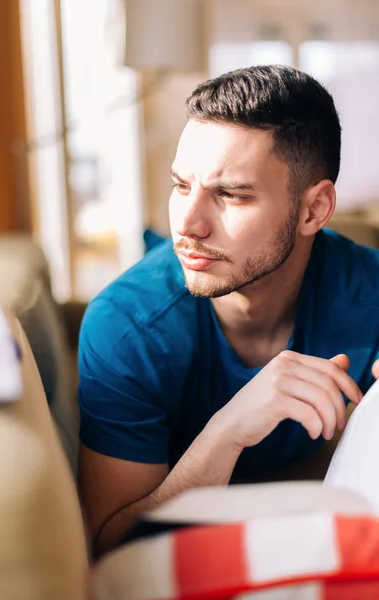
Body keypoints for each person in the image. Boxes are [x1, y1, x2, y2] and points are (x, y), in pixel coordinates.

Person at [77, 65, 379, 556]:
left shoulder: (369, 295)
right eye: (181, 186)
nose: (189, 224)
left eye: (231, 195)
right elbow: (110, 551)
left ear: (314, 210)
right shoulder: (126, 327)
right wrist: (227, 431)